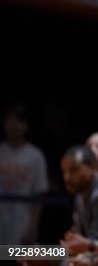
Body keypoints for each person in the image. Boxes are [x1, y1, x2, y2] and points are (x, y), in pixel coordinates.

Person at [0, 104, 49, 244]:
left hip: (22, 221)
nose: (13, 126)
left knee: (21, 259)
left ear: (25, 126)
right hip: (2, 219)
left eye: (18, 121)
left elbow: (39, 195)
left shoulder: (35, 156)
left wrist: (33, 227)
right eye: (9, 121)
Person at [60, 145, 98, 255]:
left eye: (74, 170)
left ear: (92, 167)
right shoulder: (80, 193)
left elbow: (92, 245)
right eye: (64, 172)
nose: (67, 177)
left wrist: (50, 253)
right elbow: (77, 241)